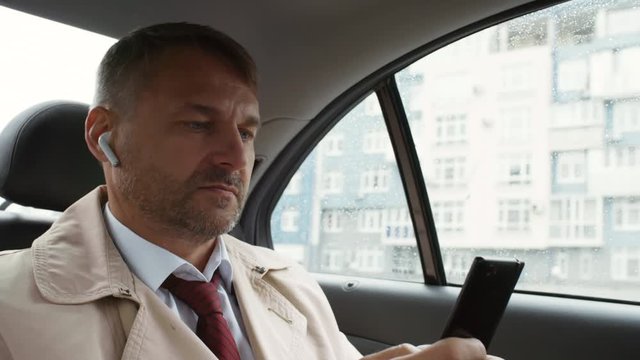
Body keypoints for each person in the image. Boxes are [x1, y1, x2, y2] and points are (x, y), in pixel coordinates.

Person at [0, 23, 501, 360]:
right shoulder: (10, 304)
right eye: (198, 124)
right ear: (102, 135)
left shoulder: (291, 286)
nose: (234, 156)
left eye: (245, 132)